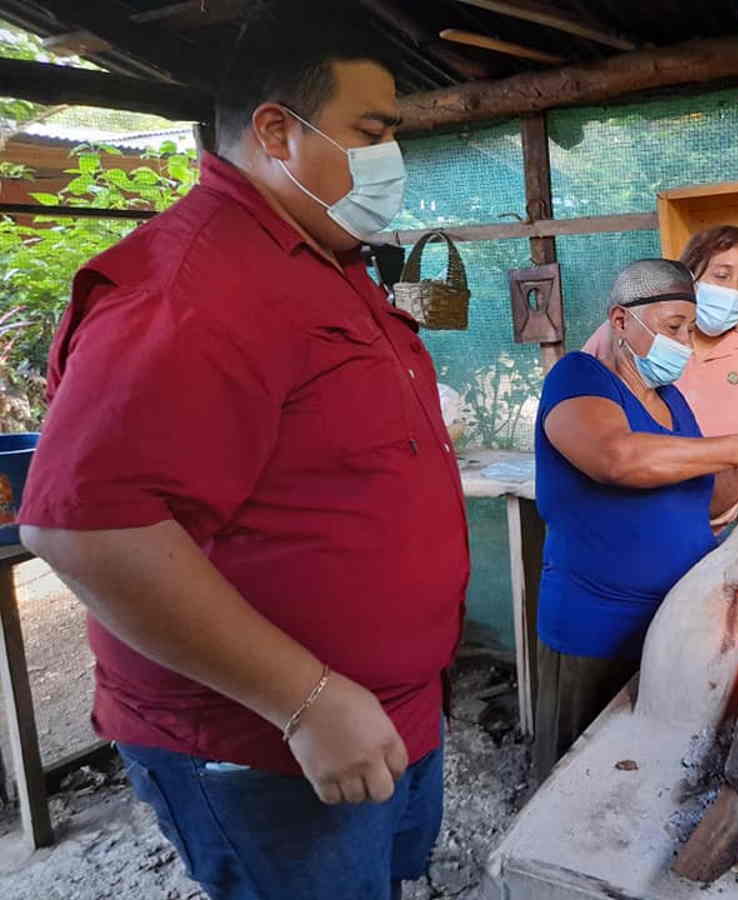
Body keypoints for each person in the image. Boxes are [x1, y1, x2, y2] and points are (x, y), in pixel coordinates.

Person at [18, 14, 465, 900]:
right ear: (275, 133)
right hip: (272, 740)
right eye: (372, 133)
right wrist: (305, 699)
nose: (391, 158)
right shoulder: (193, 286)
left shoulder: (325, 260)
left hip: (388, 708)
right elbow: (86, 528)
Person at [533, 259, 738, 783]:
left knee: (642, 771)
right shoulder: (578, 376)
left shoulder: (672, 401)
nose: (685, 343)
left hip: (673, 622)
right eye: (672, 328)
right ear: (621, 321)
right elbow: (617, 458)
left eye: (689, 329)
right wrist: (735, 445)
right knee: (574, 781)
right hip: (596, 628)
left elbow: (708, 503)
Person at [581, 225, 738, 441]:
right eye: (721, 275)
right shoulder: (628, 331)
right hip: (638, 479)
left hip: (727, 483)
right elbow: (582, 415)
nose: (731, 291)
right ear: (688, 275)